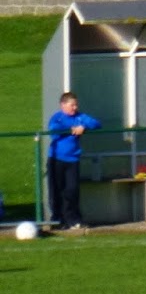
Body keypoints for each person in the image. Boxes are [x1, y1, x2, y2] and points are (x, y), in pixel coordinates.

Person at [46, 91, 100, 230]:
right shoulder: (57, 118)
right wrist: (71, 129)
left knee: (72, 190)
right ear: (63, 105)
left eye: (76, 105)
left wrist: (84, 127)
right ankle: (57, 220)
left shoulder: (80, 117)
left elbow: (96, 123)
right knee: (56, 190)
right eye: (72, 105)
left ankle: (73, 219)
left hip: (72, 160)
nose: (75, 108)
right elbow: (54, 129)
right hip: (56, 159)